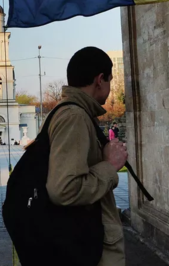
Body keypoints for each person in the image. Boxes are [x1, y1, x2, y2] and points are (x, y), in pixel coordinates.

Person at [47, 47, 128, 266]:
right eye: (110, 81)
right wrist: (110, 165)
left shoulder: (74, 112)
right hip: (91, 248)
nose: (110, 88)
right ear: (100, 80)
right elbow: (64, 189)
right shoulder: (74, 116)